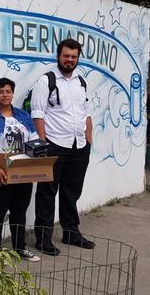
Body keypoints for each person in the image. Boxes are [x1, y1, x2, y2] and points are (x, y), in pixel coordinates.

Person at [31, 38, 95, 256]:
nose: (70, 60)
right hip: (55, 144)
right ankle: (43, 238)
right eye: (66, 56)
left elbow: (87, 112)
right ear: (59, 56)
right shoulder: (45, 81)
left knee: (72, 192)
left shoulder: (80, 82)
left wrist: (88, 138)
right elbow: (38, 113)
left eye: (74, 57)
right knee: (47, 193)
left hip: (79, 145)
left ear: (78, 58)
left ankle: (71, 232)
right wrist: (43, 144)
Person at [0, 78, 41, 262]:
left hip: (23, 173)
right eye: (0, 91)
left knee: (19, 211)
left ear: (13, 93)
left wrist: (37, 164)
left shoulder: (23, 116)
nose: (4, 94)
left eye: (8, 91)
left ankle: (19, 248)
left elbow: (34, 139)